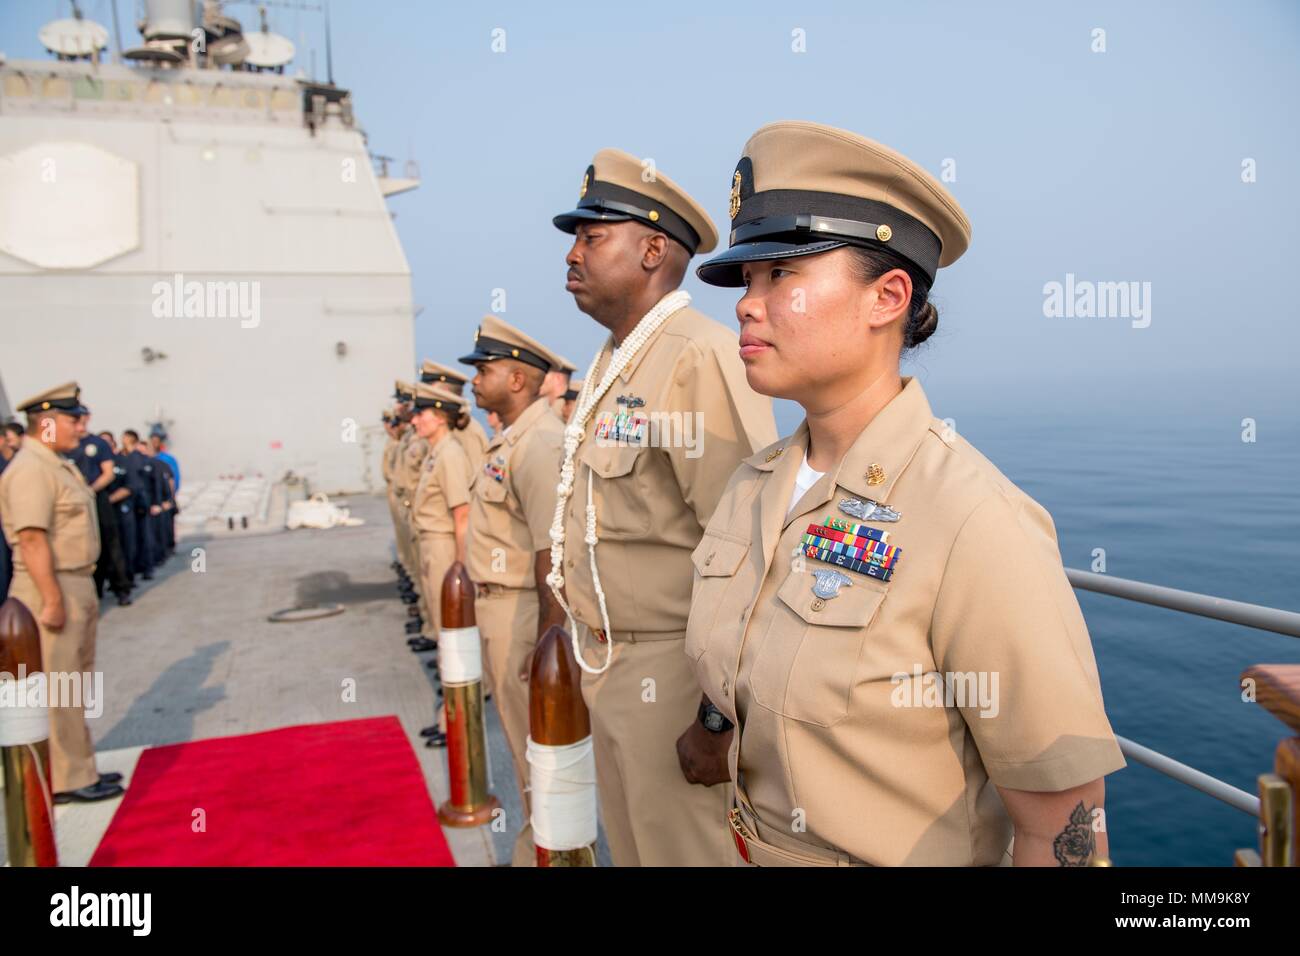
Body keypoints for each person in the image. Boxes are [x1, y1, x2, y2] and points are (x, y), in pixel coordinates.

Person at [686, 120, 1125, 867]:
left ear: (887, 297)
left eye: (781, 275)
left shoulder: (973, 521)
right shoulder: (752, 485)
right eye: (748, 281)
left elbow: (1061, 826)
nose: (746, 305)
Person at [547, 147, 777, 866]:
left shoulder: (697, 357)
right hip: (607, 666)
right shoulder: (618, 362)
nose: (573, 253)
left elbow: (748, 550)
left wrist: (716, 718)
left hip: (673, 681)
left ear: (652, 250)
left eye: (592, 236)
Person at [459, 315, 567, 866]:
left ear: (519, 380)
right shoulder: (511, 440)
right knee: (524, 746)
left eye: (485, 369)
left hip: (523, 612)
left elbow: (554, 548)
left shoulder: (540, 443)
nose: (474, 379)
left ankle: (546, 853)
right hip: (499, 607)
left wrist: (548, 636)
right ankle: (540, 846)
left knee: (537, 753)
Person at [0, 383, 124, 803]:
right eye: (75, 420)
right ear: (47, 423)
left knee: (74, 684)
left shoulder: (57, 464)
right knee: (58, 687)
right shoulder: (32, 468)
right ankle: (67, 778)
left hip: (75, 582)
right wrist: (52, 599)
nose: (83, 426)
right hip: (51, 585)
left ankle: (79, 766)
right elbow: (32, 539)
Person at [408, 382, 475, 744]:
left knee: (451, 639)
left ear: (440, 417)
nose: (415, 419)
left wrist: (461, 570)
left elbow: (461, 516)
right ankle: (448, 712)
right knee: (442, 636)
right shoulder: (436, 452)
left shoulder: (449, 454)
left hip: (446, 552)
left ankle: (455, 721)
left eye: (422, 413)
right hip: (431, 547)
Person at [71, 411, 133, 606]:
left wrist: (89, 491)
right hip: (72, 502)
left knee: (110, 544)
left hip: (97, 498)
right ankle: (93, 591)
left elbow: (108, 473)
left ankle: (122, 587)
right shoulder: (66, 445)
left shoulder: (98, 444)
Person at [419, 360, 490, 473]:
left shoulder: (466, 430)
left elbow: (475, 481)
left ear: (445, 393)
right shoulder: (449, 426)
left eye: (431, 391)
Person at [119, 429, 159, 580]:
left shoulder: (141, 459)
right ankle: (134, 568)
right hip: (129, 504)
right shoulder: (123, 458)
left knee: (145, 536)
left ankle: (148, 567)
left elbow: (153, 484)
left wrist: (156, 503)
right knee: (131, 539)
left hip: (142, 502)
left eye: (125, 438)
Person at [101, 431, 138, 586]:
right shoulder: (91, 463)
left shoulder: (123, 462)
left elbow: (131, 486)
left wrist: (108, 500)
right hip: (100, 512)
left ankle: (124, 583)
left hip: (120, 511)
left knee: (124, 547)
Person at [540, 352, 577, 420]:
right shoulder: (549, 406)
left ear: (558, 378)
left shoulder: (559, 410)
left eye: (544, 374)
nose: (538, 377)